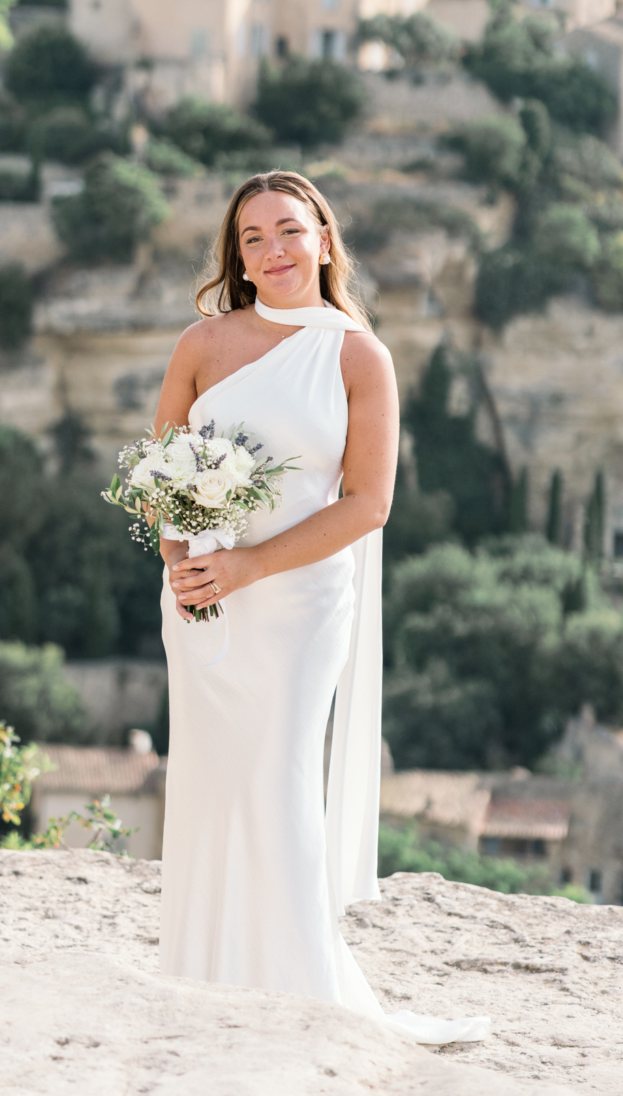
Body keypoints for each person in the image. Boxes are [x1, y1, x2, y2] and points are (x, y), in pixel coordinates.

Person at [153, 170, 488, 1045]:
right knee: (211, 780)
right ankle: (202, 973)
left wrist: (248, 566)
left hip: (297, 597)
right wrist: (184, 564)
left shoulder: (356, 355)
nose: (273, 250)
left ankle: (305, 996)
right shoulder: (201, 344)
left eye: (290, 230)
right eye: (253, 237)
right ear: (237, 256)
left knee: (280, 779)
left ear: (325, 240)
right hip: (204, 606)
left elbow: (367, 503)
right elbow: (162, 477)